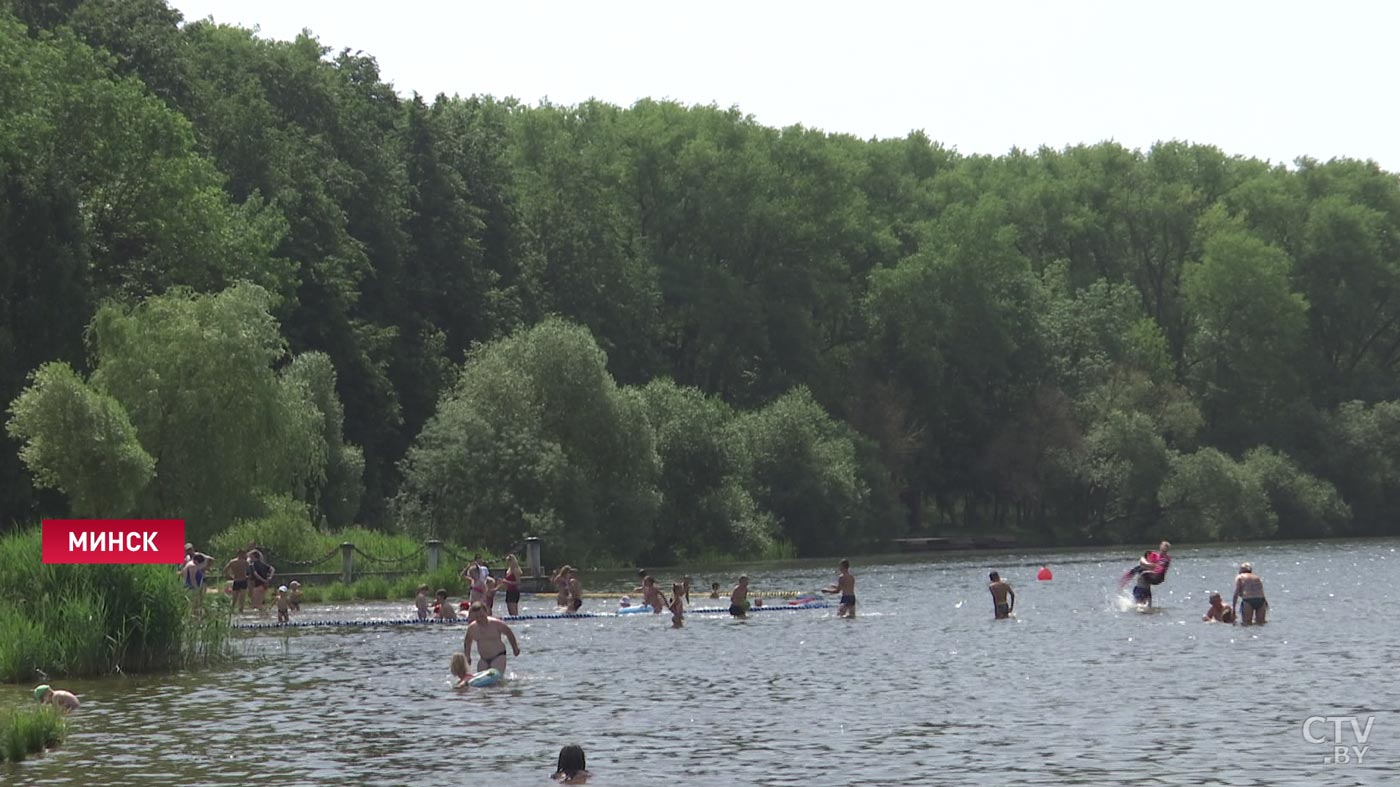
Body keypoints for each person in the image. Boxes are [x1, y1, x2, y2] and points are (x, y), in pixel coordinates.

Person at [463, 601, 521, 673]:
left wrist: (515, 648)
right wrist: (467, 656)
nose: (480, 619)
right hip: (483, 659)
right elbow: (467, 642)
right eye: (477, 617)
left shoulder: (496, 624)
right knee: (480, 681)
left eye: (481, 616)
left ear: (486, 612)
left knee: (495, 678)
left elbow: (509, 633)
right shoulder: (472, 628)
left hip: (498, 656)